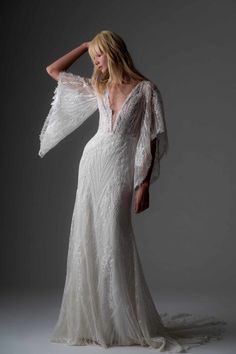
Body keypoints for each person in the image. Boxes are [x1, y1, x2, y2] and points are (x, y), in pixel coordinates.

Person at [38, 30, 226, 352]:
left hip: (118, 169)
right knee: (88, 236)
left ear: (115, 52)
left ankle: (124, 319)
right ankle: (97, 321)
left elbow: (149, 140)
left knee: (114, 236)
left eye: (100, 55)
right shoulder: (98, 86)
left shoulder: (146, 90)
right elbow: (53, 71)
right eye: (94, 57)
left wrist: (143, 184)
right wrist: (84, 46)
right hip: (91, 165)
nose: (96, 62)